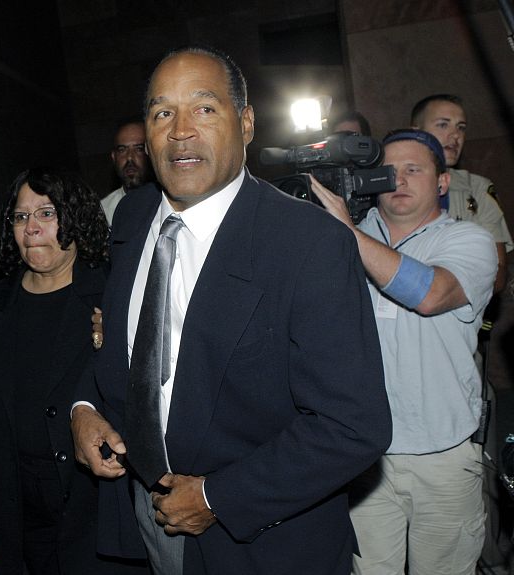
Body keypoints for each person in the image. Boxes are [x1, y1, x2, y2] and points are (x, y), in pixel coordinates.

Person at [71, 45, 392, 575]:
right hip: (147, 518)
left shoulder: (308, 243)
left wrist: (219, 498)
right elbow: (124, 339)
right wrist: (86, 408)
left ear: (245, 123)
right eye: (162, 112)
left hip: (262, 542)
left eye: (204, 108)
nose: (180, 130)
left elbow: (353, 425)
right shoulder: (131, 218)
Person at [310, 129, 498, 574]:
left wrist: (345, 234)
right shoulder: (339, 231)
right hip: (365, 456)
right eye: (387, 172)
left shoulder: (467, 241)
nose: (398, 180)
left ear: (442, 183)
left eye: (415, 170)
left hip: (443, 457)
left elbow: (431, 293)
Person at [0, 168, 148, 575]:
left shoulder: (111, 295)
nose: (31, 228)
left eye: (46, 214)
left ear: (75, 219)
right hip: (18, 500)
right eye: (20, 216)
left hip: (92, 498)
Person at [411, 94, 512, 294]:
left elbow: (498, 272)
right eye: (443, 125)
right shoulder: (395, 189)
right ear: (417, 133)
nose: (455, 135)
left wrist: (444, 293)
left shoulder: (477, 189)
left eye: (461, 127)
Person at [100, 119, 153, 225]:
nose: (129, 157)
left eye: (139, 149)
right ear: (114, 157)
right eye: (122, 150)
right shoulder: (104, 211)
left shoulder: (171, 201)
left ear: (151, 152)